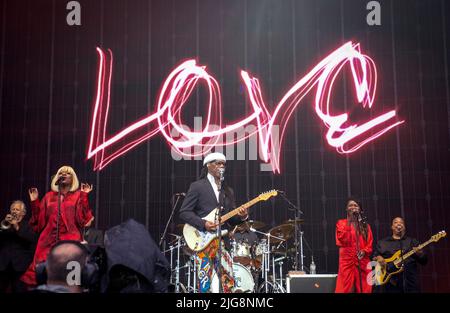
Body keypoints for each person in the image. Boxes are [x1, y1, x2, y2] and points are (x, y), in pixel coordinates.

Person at [178, 152, 248, 293]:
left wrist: (241, 216)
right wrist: (203, 223)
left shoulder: (228, 191)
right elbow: (184, 212)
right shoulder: (197, 186)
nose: (221, 166)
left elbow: (231, 220)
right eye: (218, 163)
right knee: (205, 284)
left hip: (222, 240)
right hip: (204, 241)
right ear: (208, 165)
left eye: (223, 164)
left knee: (228, 283)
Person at [21, 165, 94, 288]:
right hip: (47, 243)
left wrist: (84, 196)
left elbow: (83, 220)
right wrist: (34, 202)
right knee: (42, 278)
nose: (64, 174)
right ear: (57, 178)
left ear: (73, 179)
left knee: (70, 280)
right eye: (61, 173)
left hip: (70, 242)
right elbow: (39, 223)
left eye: (68, 173)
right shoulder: (49, 197)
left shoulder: (77, 196)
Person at [373, 217, 427, 293]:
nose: (399, 224)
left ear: (404, 227)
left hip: (410, 283)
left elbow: (424, 261)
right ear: (392, 227)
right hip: (390, 284)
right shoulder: (382, 243)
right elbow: (374, 258)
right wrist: (378, 258)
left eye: (401, 222)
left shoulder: (412, 242)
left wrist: (420, 254)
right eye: (395, 222)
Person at [335, 197, 373, 293]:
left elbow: (369, 244)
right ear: (346, 209)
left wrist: (364, 251)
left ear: (360, 209)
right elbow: (342, 240)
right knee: (344, 289)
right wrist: (349, 221)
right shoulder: (341, 223)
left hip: (362, 260)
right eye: (350, 205)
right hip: (347, 261)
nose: (353, 207)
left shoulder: (365, 226)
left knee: (365, 288)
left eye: (355, 205)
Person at [0, 200, 37, 292]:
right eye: (13, 209)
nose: (14, 211)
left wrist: (16, 226)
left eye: (17, 209)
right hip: (4, 265)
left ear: (23, 213)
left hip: (20, 266)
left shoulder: (28, 225)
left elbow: (32, 239)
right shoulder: (6, 224)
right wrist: (2, 227)